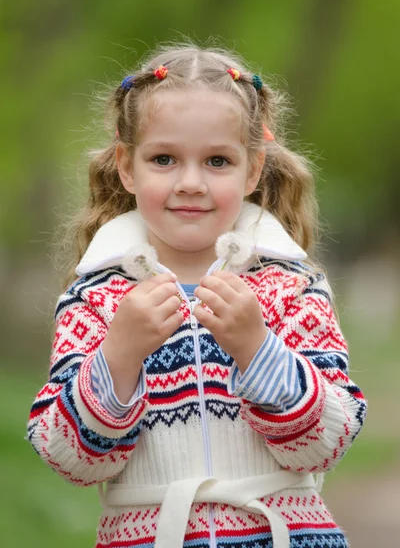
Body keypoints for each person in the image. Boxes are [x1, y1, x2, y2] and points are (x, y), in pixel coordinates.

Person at [27, 43, 367, 548]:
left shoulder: (290, 286)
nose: (190, 183)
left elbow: (326, 444)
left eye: (217, 161)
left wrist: (258, 351)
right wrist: (118, 355)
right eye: (163, 159)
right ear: (126, 166)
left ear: (252, 170)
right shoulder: (97, 296)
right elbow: (69, 458)